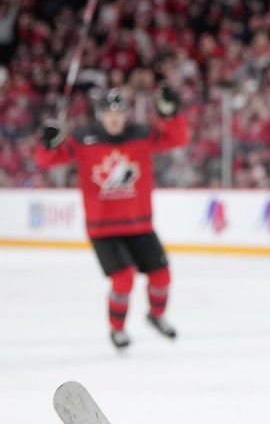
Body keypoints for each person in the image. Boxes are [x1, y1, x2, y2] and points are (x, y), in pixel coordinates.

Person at [34, 86, 190, 349]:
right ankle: (117, 330)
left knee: (161, 275)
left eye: (119, 111)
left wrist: (171, 115)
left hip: (139, 224)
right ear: (100, 114)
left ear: (127, 114)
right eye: (109, 112)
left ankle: (156, 315)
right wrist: (46, 142)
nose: (114, 117)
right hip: (103, 228)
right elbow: (47, 160)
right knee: (123, 279)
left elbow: (177, 139)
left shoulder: (141, 135)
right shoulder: (84, 139)